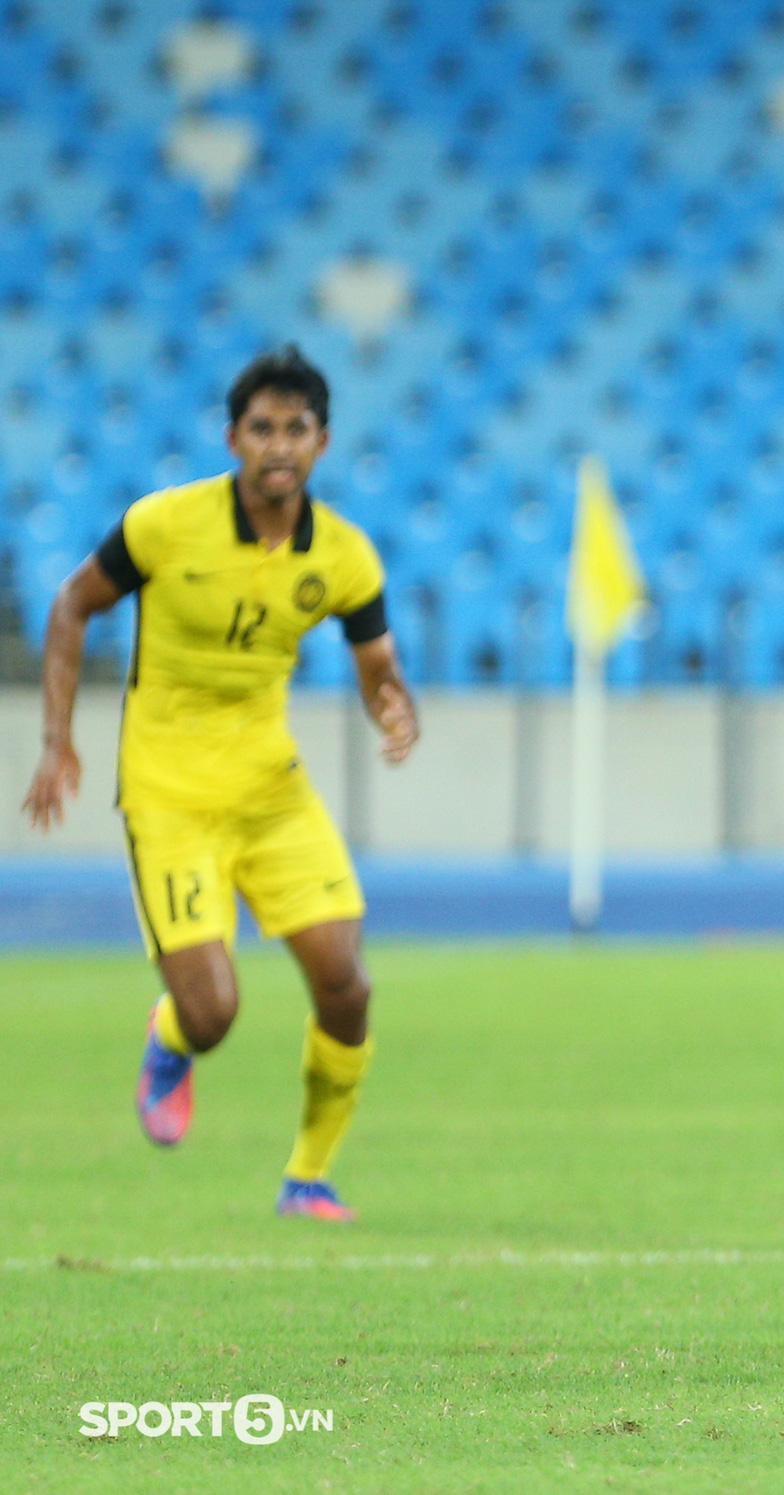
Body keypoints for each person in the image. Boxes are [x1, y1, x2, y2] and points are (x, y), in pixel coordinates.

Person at [22, 346, 418, 1222]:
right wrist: (57, 741)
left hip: (270, 792)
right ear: (234, 436)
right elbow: (71, 604)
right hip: (169, 795)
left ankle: (307, 1176)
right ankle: (171, 1041)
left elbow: (377, 661)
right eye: (263, 428)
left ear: (323, 441)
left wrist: (395, 708)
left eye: (297, 428)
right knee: (214, 1013)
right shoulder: (164, 525)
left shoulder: (346, 556)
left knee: (348, 985)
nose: (280, 445)